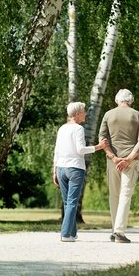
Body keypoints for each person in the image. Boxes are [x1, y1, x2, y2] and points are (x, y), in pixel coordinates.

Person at [53, 102, 107, 242]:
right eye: (83, 111)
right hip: (75, 169)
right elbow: (81, 150)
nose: (85, 114)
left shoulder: (62, 129)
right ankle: (65, 234)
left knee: (67, 202)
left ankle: (72, 233)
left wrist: (54, 171)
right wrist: (98, 147)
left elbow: (57, 151)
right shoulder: (78, 129)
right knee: (71, 203)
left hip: (61, 169)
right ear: (77, 114)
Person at [98, 89, 139, 243]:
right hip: (131, 162)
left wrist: (113, 157)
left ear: (117, 100)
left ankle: (115, 230)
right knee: (125, 195)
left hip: (113, 162)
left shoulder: (108, 114)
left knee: (114, 195)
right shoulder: (138, 115)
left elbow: (102, 138)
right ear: (131, 100)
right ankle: (119, 231)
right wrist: (129, 158)